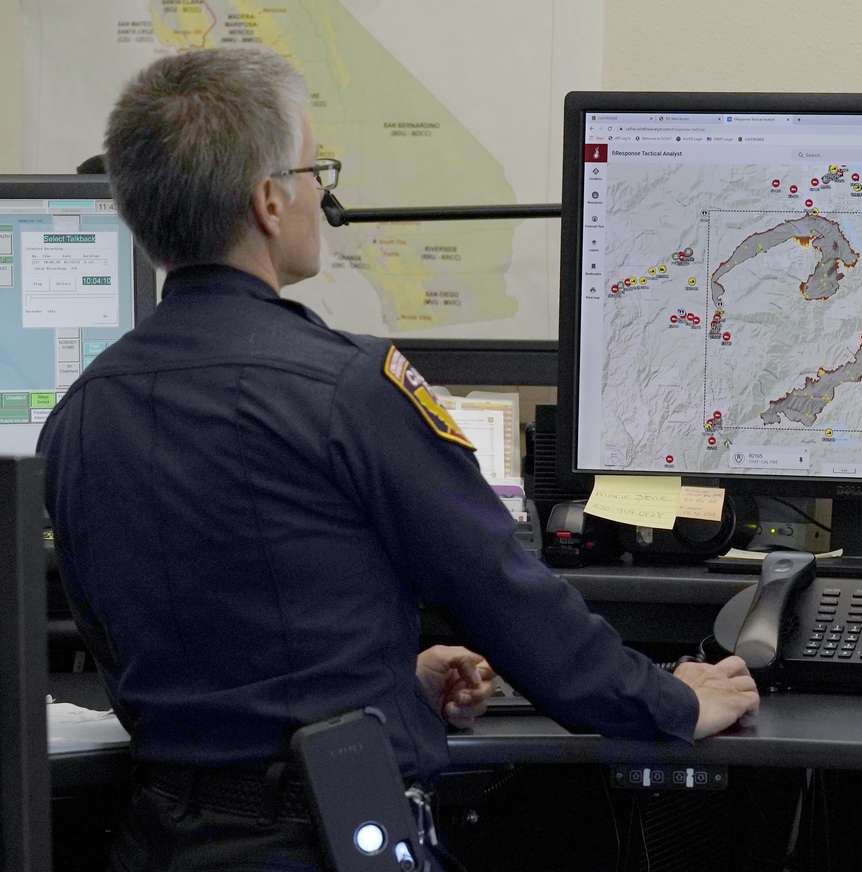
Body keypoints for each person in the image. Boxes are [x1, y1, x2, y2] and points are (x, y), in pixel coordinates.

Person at [38, 47, 759, 869]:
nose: (324, 194)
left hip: (158, 842)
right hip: (329, 838)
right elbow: (504, 594)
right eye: (315, 170)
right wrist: (668, 701)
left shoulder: (80, 415)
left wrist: (386, 685)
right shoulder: (347, 388)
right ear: (270, 201)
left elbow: (164, 661)